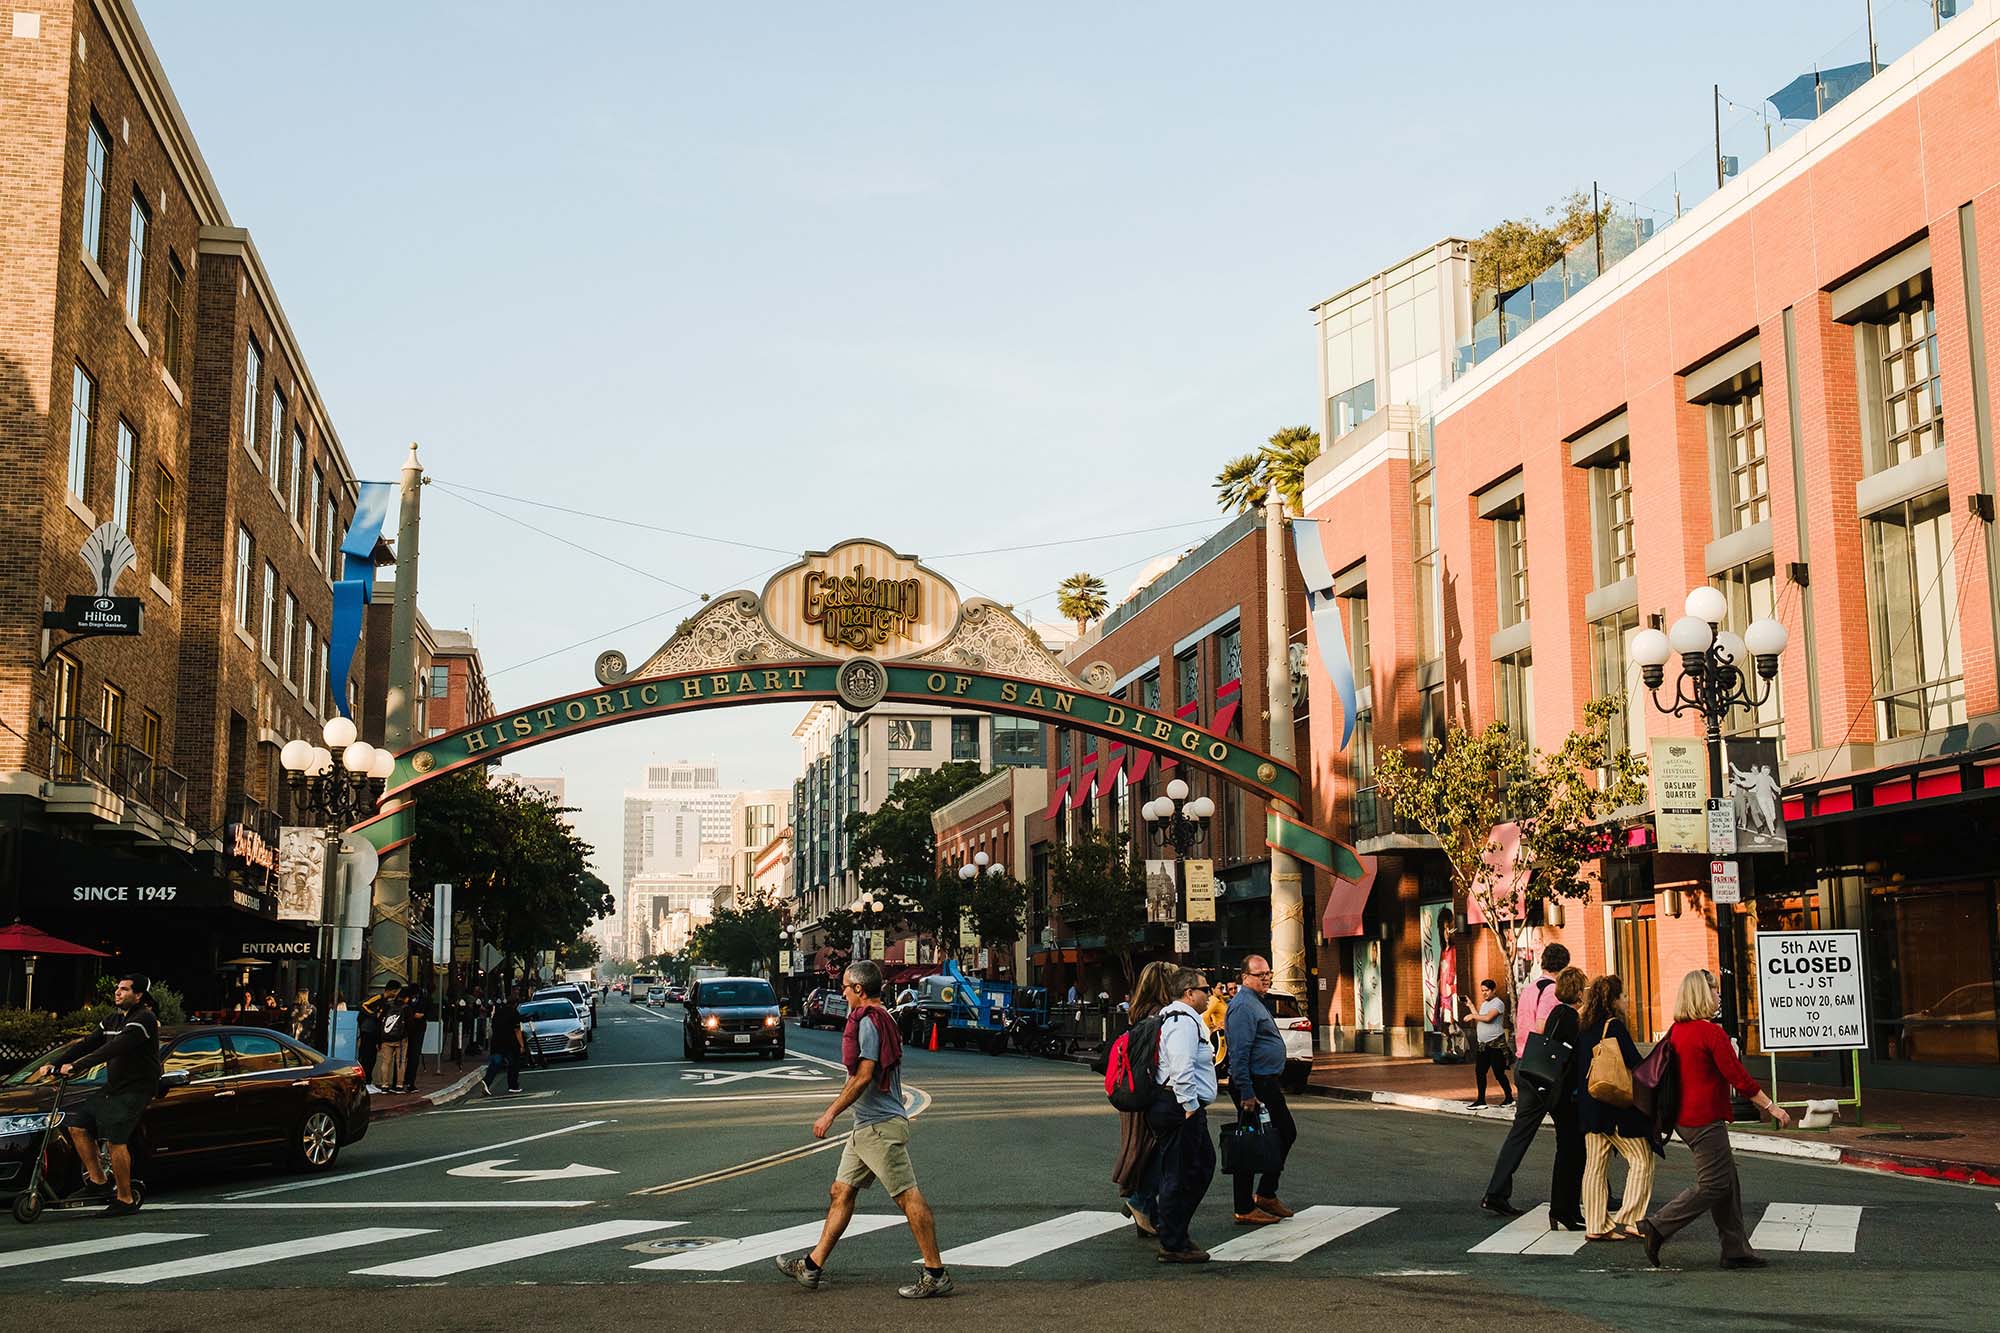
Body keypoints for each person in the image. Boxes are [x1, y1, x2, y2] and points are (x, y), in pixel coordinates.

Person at [775, 960, 951, 1299]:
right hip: (866, 1127)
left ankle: (935, 1272)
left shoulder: (870, 1021)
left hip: (880, 1128)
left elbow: (865, 1075)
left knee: (907, 1197)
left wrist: (829, 1114)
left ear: (859, 989)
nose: (842, 992)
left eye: (845, 986)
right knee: (841, 1192)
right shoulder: (881, 1017)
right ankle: (811, 1267)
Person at [1639, 970, 1793, 1270]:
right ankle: (1657, 1226)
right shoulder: (1710, 1033)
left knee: (1728, 1181)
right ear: (1701, 994)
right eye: (1714, 990)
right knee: (1714, 1183)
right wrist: (1771, 1106)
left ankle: (1735, 1249)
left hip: (1683, 1118)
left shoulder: (1677, 1030)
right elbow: (1738, 1076)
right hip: (1703, 1118)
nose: (1719, 995)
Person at [36, 973, 159, 1215]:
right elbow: (88, 1043)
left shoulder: (143, 1019)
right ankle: (98, 1182)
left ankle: (125, 1199)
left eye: (124, 989)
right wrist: (55, 1063)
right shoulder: (112, 1019)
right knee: (78, 1125)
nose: (118, 992)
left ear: (138, 995)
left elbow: (113, 1048)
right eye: (118, 988)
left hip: (136, 1089)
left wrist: (78, 1066)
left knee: (116, 1139)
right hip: (114, 1088)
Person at [1480, 942, 1572, 1217]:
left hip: (1524, 1064)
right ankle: (1595, 1191)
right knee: (1574, 1130)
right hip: (1545, 1069)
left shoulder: (1530, 988)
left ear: (1543, 962)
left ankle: (1495, 1192)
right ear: (1564, 965)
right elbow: (1543, 1027)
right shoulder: (1553, 990)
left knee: (1521, 1134)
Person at [1576, 973, 1660, 1242]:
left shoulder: (1585, 1026)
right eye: (1623, 996)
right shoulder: (1614, 1027)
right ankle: (1632, 1218)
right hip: (1613, 1105)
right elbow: (1636, 1064)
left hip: (1590, 1105)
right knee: (1642, 1159)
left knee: (1595, 1165)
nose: (1627, 1000)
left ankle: (1596, 1224)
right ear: (1613, 1000)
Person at [1149, 967, 1219, 1263]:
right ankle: (1173, 1242)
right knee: (1181, 1172)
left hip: (1179, 1106)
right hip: (1178, 1107)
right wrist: (1190, 1105)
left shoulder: (1186, 1019)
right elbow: (1181, 1067)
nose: (1210, 995)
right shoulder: (1182, 1022)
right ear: (1189, 993)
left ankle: (1176, 1233)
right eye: (1205, 989)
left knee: (1198, 1167)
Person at [1224, 954, 1299, 1227]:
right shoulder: (1244, 1006)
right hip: (1254, 1084)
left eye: (1268, 973)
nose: (1266, 978)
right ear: (1244, 977)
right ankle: (1247, 1205)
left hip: (1264, 1082)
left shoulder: (1255, 1002)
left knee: (1276, 1135)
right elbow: (1239, 1053)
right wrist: (1246, 1091)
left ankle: (1266, 1193)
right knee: (1250, 1142)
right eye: (1260, 974)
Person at [1112, 961, 1177, 1239]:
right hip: (1150, 1092)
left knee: (1146, 1148)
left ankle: (1146, 1211)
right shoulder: (1159, 1016)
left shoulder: (1138, 1012)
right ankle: (1140, 1202)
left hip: (1133, 1090)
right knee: (1158, 1150)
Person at [1544, 966, 1589, 1231]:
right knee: (1572, 1153)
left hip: (1555, 1093)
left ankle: (1565, 1208)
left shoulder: (1556, 1014)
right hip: (1567, 1095)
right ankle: (1564, 1209)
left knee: (1567, 1152)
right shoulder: (1571, 1019)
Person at [1462, 979, 1513, 1108]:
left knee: (1498, 1073)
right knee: (1480, 1071)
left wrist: (1473, 1016)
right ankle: (1481, 1100)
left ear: (1493, 990)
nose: (1484, 993)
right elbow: (1480, 1018)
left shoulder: (1498, 1003)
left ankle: (1509, 1098)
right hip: (1483, 1045)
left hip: (1495, 1045)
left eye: (1487, 991)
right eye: (1482, 991)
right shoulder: (1484, 1004)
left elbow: (1488, 1018)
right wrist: (1471, 1005)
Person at [482, 986, 527, 1095]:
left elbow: (493, 1027)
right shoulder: (514, 1013)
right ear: (515, 1004)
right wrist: (521, 1045)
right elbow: (517, 1031)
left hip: (497, 1041)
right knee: (513, 1063)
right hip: (509, 1043)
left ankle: (487, 1081)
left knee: (496, 1061)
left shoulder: (498, 1013)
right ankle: (513, 1086)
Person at [368, 984, 409, 1092]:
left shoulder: (387, 1006)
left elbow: (380, 1022)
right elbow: (411, 1025)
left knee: (386, 1062)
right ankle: (399, 1085)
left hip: (386, 1039)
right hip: (401, 1039)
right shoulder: (405, 1008)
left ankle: (384, 1085)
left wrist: (379, 1040)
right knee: (401, 1061)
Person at [399, 989, 428, 1093]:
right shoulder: (422, 1000)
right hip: (408, 1030)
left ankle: (401, 1082)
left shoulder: (420, 1000)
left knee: (405, 1057)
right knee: (410, 1057)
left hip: (407, 1030)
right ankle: (406, 1082)